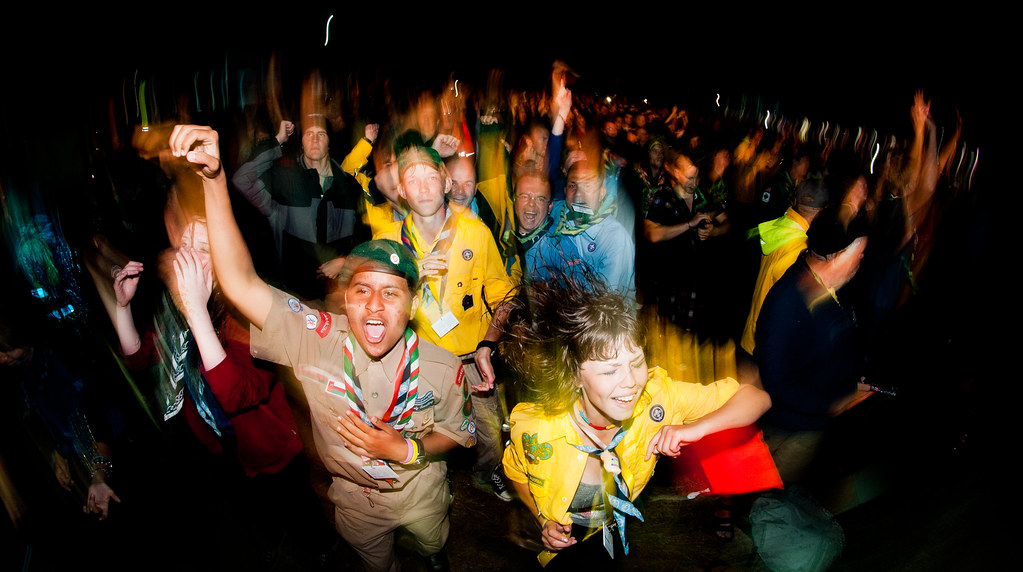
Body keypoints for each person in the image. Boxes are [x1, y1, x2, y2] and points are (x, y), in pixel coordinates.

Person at [168, 124, 476, 572]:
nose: (374, 307)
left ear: (412, 307)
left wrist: (407, 451)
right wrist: (214, 180)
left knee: (431, 547)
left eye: (391, 293)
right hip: (355, 506)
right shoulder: (314, 339)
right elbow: (240, 283)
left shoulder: (443, 366)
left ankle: (433, 556)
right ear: (344, 299)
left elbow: (460, 430)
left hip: (420, 495)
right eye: (362, 290)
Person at [500, 279, 771, 567]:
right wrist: (543, 520)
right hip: (562, 546)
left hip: (615, 529)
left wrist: (694, 428)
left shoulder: (657, 400)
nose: (631, 383)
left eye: (636, 362)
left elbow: (756, 398)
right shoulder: (535, 426)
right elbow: (517, 471)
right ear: (575, 376)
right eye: (610, 370)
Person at [374, 142, 516, 501]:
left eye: (430, 177)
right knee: (421, 435)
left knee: (491, 437)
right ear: (401, 191)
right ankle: (435, 485)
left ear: (446, 182)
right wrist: (408, 278)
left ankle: (486, 474)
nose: (422, 187)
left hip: (471, 361)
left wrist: (488, 345)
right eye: (412, 179)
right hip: (419, 363)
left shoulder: (475, 233)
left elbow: (504, 297)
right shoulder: (387, 243)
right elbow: (374, 311)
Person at [231, 116, 370, 303]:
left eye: (321, 134)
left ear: (329, 141)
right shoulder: (284, 181)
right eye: (308, 134)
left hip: (340, 299)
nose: (314, 139)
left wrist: (346, 261)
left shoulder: (348, 186)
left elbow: (366, 237)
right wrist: (278, 140)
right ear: (301, 142)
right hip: (295, 300)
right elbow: (242, 178)